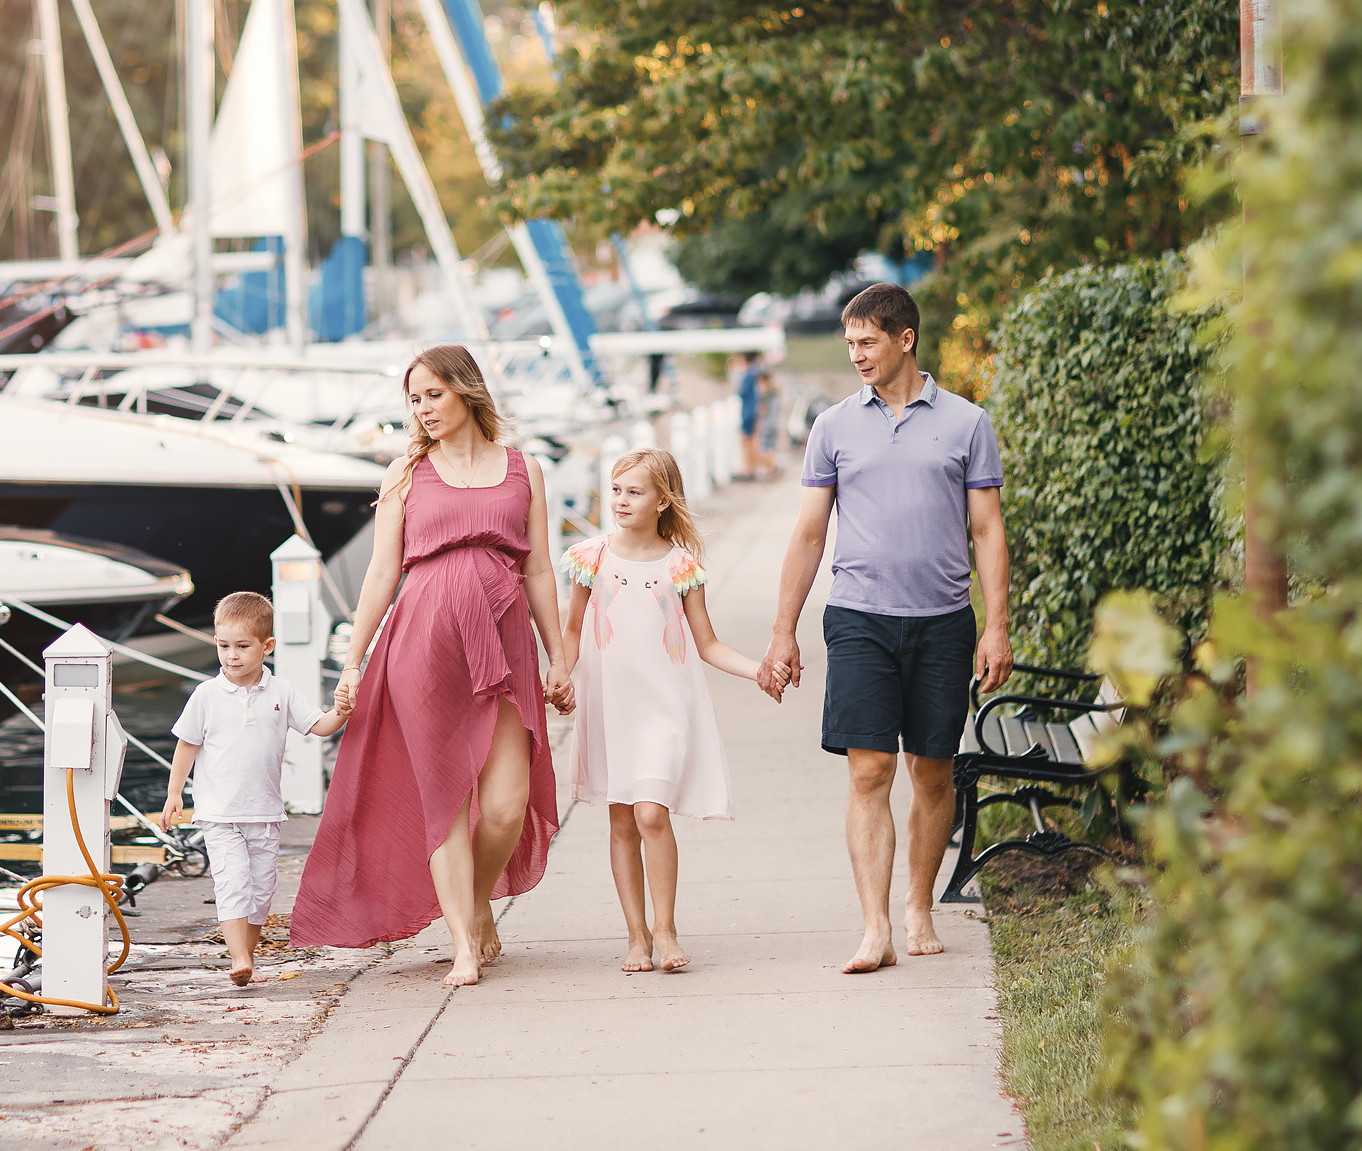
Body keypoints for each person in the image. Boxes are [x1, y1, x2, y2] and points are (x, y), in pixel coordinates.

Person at [289, 344, 576, 985]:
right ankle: (464, 944)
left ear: (466, 392)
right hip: (422, 643)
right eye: (413, 400)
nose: (422, 410)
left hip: (504, 643)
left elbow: (537, 568)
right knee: (443, 797)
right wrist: (352, 662)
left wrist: (560, 655)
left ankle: (476, 905)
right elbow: (382, 572)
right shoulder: (405, 473)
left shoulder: (523, 469)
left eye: (432, 395)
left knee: (506, 804)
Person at [758, 282, 1013, 972]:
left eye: (867, 341)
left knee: (931, 771)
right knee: (868, 769)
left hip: (942, 622)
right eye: (850, 344)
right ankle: (875, 927)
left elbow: (987, 530)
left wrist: (997, 626)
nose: (857, 355)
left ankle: (918, 904)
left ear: (905, 339)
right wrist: (784, 629)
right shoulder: (833, 426)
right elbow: (810, 533)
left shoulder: (966, 423)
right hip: (860, 617)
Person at [557, 448, 774, 974]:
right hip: (609, 704)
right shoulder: (591, 558)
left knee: (651, 812)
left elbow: (707, 643)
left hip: (664, 707)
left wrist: (759, 670)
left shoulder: (680, 567)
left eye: (635, 492)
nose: (622, 501)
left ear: (662, 501)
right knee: (621, 819)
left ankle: (665, 929)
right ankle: (636, 937)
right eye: (617, 490)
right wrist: (560, 674)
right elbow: (570, 629)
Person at [158, 590, 349, 985]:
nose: (232, 655)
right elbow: (187, 744)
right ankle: (239, 959)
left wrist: (343, 710)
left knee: (261, 891)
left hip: (265, 811)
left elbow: (320, 726)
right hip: (219, 812)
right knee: (232, 882)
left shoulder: (283, 692)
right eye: (224, 646)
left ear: (267, 646)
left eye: (242, 646)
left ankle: (248, 955)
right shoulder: (206, 695)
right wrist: (175, 791)